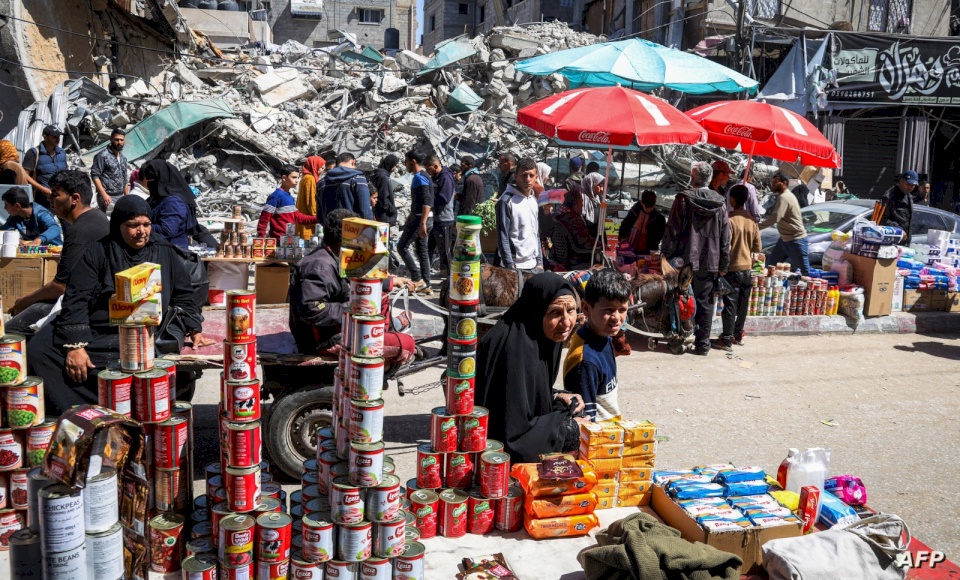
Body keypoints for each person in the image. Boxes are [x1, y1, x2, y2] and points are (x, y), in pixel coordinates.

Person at [29, 196, 213, 413]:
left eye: (146, 224)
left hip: (145, 330)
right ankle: (80, 414)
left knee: (134, 356)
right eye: (132, 226)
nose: (141, 231)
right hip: (100, 326)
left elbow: (184, 294)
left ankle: (124, 406)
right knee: (39, 349)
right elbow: (76, 297)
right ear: (118, 225)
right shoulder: (99, 251)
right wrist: (75, 346)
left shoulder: (163, 250)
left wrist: (194, 328)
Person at [476, 272, 587, 463]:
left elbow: (524, 394)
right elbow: (512, 436)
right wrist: (570, 429)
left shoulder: (537, 336)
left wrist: (555, 396)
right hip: (497, 456)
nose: (567, 322)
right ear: (537, 311)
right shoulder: (516, 349)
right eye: (555, 312)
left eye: (571, 310)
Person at [289, 208, 416, 360]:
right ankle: (387, 340)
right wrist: (352, 308)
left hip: (337, 328)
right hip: (325, 340)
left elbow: (360, 278)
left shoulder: (336, 255)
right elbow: (312, 309)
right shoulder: (319, 266)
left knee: (380, 294)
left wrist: (388, 281)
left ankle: (386, 330)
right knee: (407, 343)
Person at [6, 170, 110, 335]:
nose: (50, 199)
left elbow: (60, 287)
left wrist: (23, 301)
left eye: (55, 195)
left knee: (9, 331)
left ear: (75, 199)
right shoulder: (98, 217)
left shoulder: (79, 231)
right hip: (87, 297)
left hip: (85, 304)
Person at [661, 161, 730, 356]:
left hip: (684, 261)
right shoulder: (720, 203)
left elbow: (672, 230)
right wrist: (724, 263)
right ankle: (702, 344)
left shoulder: (683, 199)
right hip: (710, 261)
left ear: (693, 177)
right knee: (706, 302)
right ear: (709, 178)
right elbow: (726, 238)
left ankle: (680, 340)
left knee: (680, 299)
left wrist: (665, 255)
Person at [563, 269, 629, 422]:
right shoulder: (586, 361)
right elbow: (585, 420)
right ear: (586, 308)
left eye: (622, 310)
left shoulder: (604, 337)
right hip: (599, 439)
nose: (616, 318)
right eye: (608, 310)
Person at [714, 185, 760, 351]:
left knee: (730, 305)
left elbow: (724, 247)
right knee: (742, 304)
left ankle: (726, 338)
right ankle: (738, 335)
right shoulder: (752, 221)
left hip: (732, 269)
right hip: (747, 269)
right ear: (747, 199)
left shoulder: (729, 219)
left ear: (732, 200)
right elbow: (757, 247)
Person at [496, 157, 542, 273]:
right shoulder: (506, 201)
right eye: (524, 175)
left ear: (536, 177)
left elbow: (535, 233)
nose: (528, 179)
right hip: (515, 268)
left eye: (531, 176)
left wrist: (540, 262)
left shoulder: (533, 200)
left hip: (533, 266)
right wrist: (509, 265)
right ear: (516, 177)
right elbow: (503, 236)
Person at [398, 151, 434, 295]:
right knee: (422, 251)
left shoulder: (420, 177)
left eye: (406, 161)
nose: (405, 165)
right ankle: (426, 284)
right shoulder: (423, 176)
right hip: (422, 217)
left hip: (421, 218)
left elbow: (426, 201)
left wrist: (422, 223)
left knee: (402, 247)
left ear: (413, 161)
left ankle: (417, 278)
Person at [760, 171, 810, 275]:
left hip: (796, 239)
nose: (773, 184)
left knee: (805, 273)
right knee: (771, 266)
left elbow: (775, 217)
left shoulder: (784, 197)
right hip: (785, 239)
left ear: (784, 183)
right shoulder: (782, 196)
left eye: (776, 182)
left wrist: (757, 227)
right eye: (772, 181)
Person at [257, 165, 318, 241]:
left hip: (290, 240)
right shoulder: (276, 196)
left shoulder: (290, 197)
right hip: (279, 241)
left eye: (298, 178)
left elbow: (298, 217)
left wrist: (318, 218)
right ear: (284, 178)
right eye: (294, 177)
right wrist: (260, 239)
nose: (297, 180)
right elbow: (264, 219)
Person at [22, 125, 68, 206]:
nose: (57, 139)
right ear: (45, 136)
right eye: (54, 136)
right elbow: (25, 175)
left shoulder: (62, 153)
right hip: (42, 199)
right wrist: (42, 189)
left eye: (58, 136)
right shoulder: (34, 153)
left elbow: (66, 173)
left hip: (61, 197)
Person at [426, 155, 456, 277]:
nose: (428, 172)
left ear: (436, 166)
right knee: (435, 245)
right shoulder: (438, 176)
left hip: (445, 218)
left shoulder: (445, 178)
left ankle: (450, 276)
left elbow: (444, 198)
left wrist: (429, 202)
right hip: (438, 218)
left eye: (429, 169)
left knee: (446, 249)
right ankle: (443, 271)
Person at [319, 152, 372, 220]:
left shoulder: (322, 183)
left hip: (329, 228)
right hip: (352, 228)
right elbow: (365, 212)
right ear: (353, 162)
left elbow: (320, 214)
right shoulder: (358, 179)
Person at [550, 188, 594, 270]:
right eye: (581, 203)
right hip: (576, 258)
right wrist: (599, 245)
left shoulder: (558, 214)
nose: (582, 205)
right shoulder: (573, 219)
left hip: (560, 257)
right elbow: (584, 241)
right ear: (575, 204)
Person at [90, 129, 129, 213]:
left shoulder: (123, 157)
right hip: (108, 197)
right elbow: (95, 175)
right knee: (109, 223)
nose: (119, 142)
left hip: (121, 196)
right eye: (116, 139)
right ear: (111, 140)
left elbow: (125, 177)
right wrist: (104, 195)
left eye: (121, 140)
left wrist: (126, 196)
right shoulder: (102, 156)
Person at [879, 171, 916, 245]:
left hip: (904, 243)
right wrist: (899, 230)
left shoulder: (909, 197)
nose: (910, 187)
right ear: (901, 181)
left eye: (913, 185)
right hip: (890, 241)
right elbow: (882, 219)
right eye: (908, 184)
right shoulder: (889, 197)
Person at [296, 156, 325, 239]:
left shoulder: (305, 177)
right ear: (314, 166)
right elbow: (311, 201)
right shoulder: (310, 179)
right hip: (308, 219)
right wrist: (318, 216)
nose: (322, 170)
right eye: (321, 167)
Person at [370, 154, 400, 227]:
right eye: (394, 166)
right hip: (384, 216)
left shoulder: (378, 175)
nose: (395, 169)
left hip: (378, 213)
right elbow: (383, 198)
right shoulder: (383, 178)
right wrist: (393, 210)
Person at [580, 172, 605, 237]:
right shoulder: (581, 199)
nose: (602, 189)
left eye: (603, 186)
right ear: (591, 184)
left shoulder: (599, 199)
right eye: (600, 185)